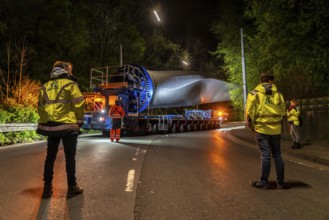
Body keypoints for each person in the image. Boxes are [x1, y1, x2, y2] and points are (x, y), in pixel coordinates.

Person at [37, 61, 85, 198]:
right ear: (65, 71)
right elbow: (79, 104)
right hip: (68, 126)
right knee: (70, 157)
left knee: (50, 157)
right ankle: (72, 187)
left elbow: (40, 107)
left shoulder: (44, 87)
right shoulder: (70, 85)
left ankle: (47, 188)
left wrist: (47, 120)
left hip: (50, 126)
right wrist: (80, 121)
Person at [245, 72, 287, 190]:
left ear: (261, 81)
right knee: (277, 155)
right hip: (276, 130)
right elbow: (283, 111)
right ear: (270, 81)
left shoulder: (254, 94)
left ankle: (264, 182)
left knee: (265, 155)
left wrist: (251, 125)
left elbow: (249, 112)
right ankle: (281, 183)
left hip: (261, 129)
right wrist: (277, 121)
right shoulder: (278, 94)